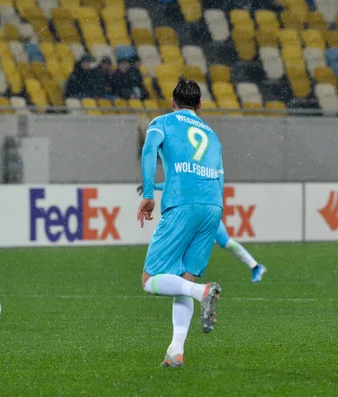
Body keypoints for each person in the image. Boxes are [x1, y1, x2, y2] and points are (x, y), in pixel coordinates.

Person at [137, 79, 224, 368]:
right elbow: (220, 176)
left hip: (182, 203)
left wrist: (149, 194)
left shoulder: (162, 121)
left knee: (150, 281)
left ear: (173, 102)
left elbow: (149, 152)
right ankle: (176, 351)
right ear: (200, 105)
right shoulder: (212, 135)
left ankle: (203, 293)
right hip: (213, 206)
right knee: (183, 282)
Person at [137, 182, 268, 282]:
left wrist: (153, 186)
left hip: (202, 214)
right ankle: (255, 266)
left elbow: (174, 183)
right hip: (199, 214)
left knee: (225, 242)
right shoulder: (197, 169)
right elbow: (174, 183)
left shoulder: (193, 172)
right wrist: (153, 187)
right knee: (223, 243)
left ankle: (255, 266)